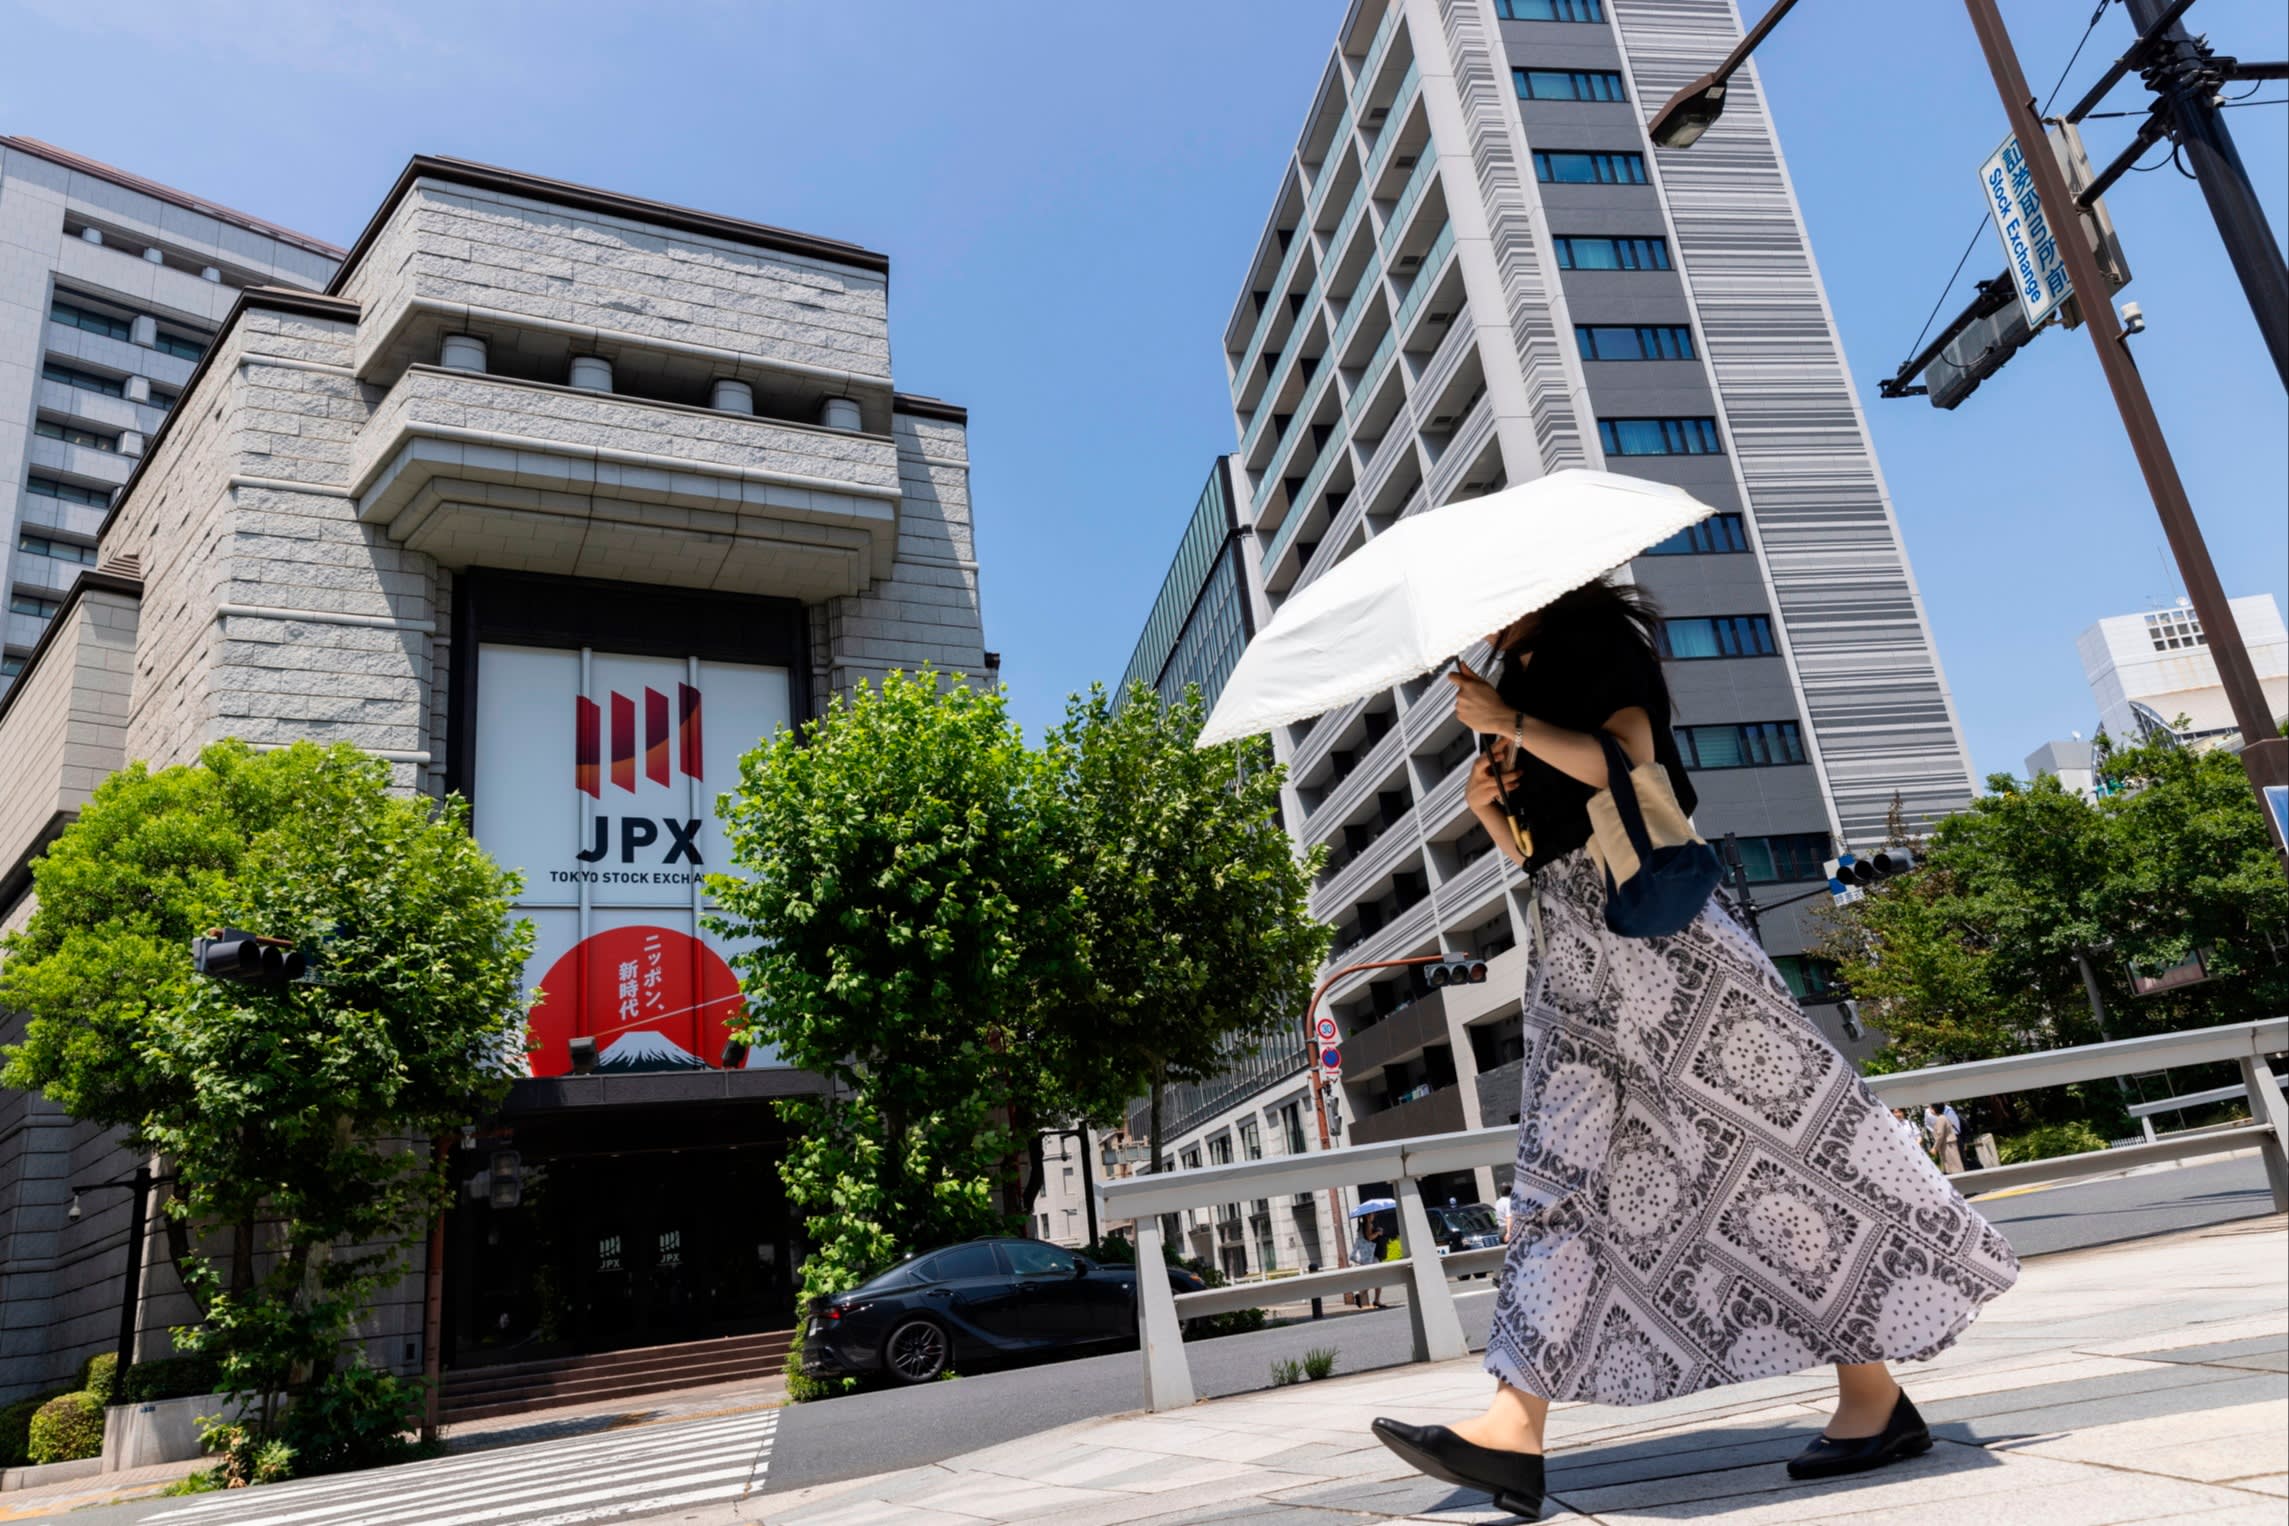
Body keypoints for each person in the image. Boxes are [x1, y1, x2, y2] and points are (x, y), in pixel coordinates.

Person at [1367, 578, 2019, 1520]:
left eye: (1487, 597)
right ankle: (1513, 1427)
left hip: (1662, 942)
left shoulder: (1596, 647)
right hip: (1575, 945)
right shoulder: (1525, 677)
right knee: (1562, 1179)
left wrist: (1514, 720)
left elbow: (1635, 770)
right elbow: (1550, 850)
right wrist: (1491, 810)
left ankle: (1873, 1394)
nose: (1478, 617)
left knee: (1766, 1158)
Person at [1927, 1103, 1966, 1175]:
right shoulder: (1943, 1117)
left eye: (1930, 1108)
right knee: (1952, 1165)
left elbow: (1940, 1135)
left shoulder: (1941, 1119)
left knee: (1953, 1166)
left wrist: (1935, 1148)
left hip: (1947, 1145)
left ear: (1935, 1109)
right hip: (1948, 1144)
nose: (1929, 1110)